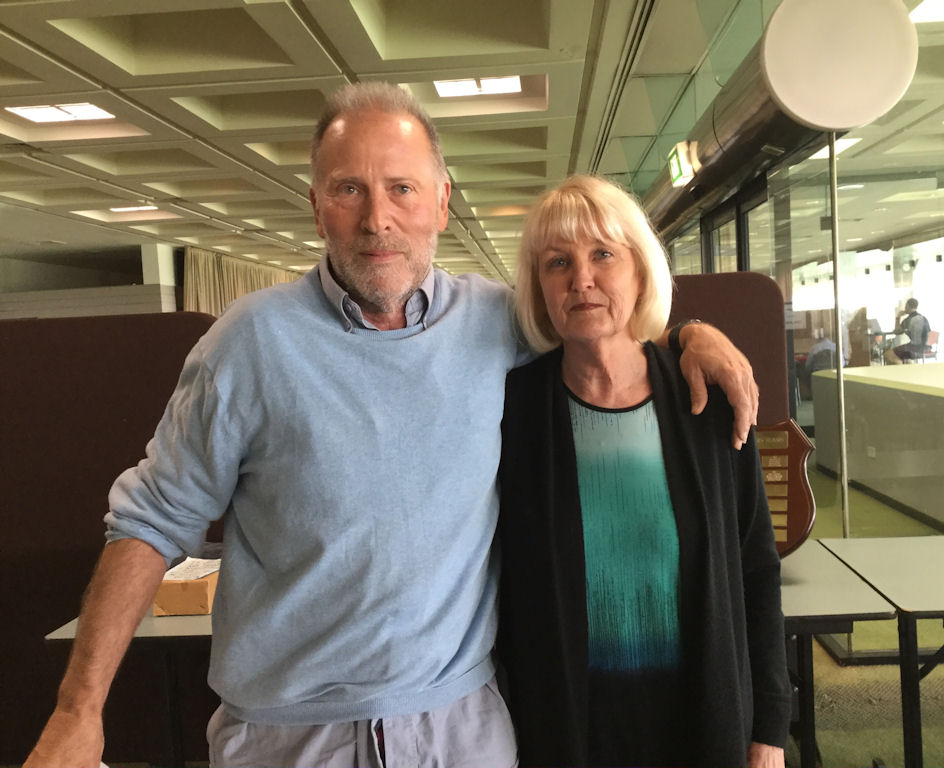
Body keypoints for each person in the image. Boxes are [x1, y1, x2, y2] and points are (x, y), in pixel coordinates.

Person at [23, 84, 759, 768]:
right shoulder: (248, 344)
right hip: (289, 736)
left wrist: (688, 337)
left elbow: (598, 326)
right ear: (318, 208)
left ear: (441, 202)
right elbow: (152, 519)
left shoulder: (495, 323)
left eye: (401, 188)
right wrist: (77, 709)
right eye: (349, 189)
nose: (377, 219)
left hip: (458, 730)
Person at [497, 175, 790, 768]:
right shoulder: (513, 411)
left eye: (603, 254)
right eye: (558, 262)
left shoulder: (704, 399)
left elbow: (755, 567)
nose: (581, 279)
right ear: (539, 287)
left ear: (640, 271)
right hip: (566, 723)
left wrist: (770, 727)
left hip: (700, 712)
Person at [891, 298, 931, 362]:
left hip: (916, 349)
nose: (905, 308)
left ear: (908, 306)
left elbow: (897, 332)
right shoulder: (923, 318)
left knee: (889, 354)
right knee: (904, 356)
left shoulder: (909, 320)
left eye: (905, 306)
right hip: (927, 348)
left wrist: (898, 317)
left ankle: (900, 368)